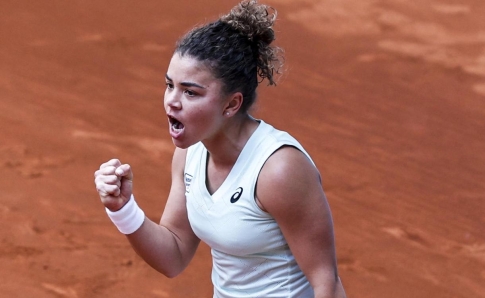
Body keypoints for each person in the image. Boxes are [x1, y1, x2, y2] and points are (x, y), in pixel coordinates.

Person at [94, 1, 347, 297]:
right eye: (169, 85)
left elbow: (325, 281)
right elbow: (173, 253)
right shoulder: (189, 155)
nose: (171, 101)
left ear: (231, 104)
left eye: (190, 92)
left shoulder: (279, 170)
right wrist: (123, 209)